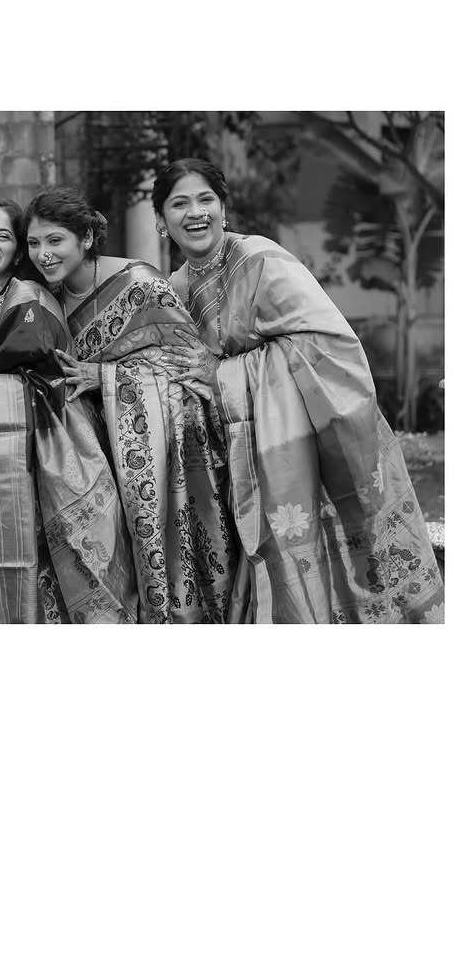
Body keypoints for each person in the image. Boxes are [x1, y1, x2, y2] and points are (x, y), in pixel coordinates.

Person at [153, 157, 444, 624]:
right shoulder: (175, 288)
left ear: (223, 208)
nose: (195, 212)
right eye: (179, 203)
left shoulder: (259, 260)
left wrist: (224, 374)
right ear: (161, 220)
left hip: (305, 451)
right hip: (236, 463)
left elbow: (330, 345)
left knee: (354, 577)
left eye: (206, 199)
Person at [25, 187, 245, 625]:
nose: (43, 254)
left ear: (87, 238)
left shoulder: (140, 285)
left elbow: (188, 371)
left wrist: (106, 377)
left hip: (163, 462)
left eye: (55, 240)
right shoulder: (45, 300)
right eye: (33, 243)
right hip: (92, 460)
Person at [0, 200, 136, 624]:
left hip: (36, 469)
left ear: (17, 251)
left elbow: (49, 386)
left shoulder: (28, 301)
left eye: (3, 236)